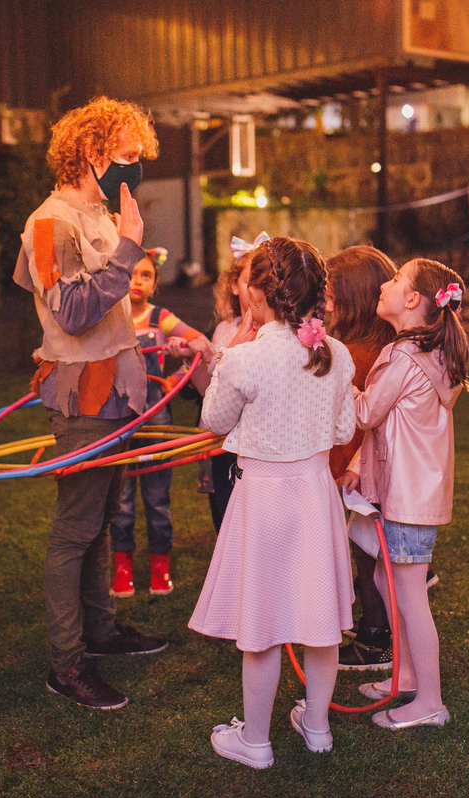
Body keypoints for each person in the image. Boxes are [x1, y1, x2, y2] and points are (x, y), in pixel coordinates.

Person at [12, 96, 168, 711]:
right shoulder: (50, 223)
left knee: (102, 517)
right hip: (82, 393)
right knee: (75, 528)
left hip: (119, 389)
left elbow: (106, 307)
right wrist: (130, 248)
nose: (134, 168)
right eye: (127, 157)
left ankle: (100, 633)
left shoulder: (99, 213)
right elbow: (71, 313)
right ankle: (67, 663)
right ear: (92, 152)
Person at [189, 237, 357, 768]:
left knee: (260, 625)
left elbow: (212, 422)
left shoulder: (246, 357)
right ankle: (317, 727)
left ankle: (256, 741)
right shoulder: (337, 354)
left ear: (258, 295)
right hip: (314, 496)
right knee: (319, 618)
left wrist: (233, 348)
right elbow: (345, 426)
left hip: (262, 500)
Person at [340, 258, 469, 730]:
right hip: (406, 492)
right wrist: (357, 466)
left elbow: (366, 414)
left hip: (409, 499)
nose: (385, 283)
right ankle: (407, 675)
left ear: (413, 300)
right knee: (383, 580)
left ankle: (430, 701)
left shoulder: (404, 357)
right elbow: (391, 424)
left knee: (410, 593)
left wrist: (334, 374)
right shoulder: (421, 354)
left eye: (396, 280)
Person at [109, 247, 212, 598]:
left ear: (155, 285)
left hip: (156, 422)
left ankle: (159, 566)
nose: (137, 281)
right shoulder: (111, 318)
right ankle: (121, 567)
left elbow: (201, 344)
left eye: (146, 275)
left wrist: (176, 377)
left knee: (156, 497)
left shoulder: (161, 318)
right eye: (131, 274)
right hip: (118, 422)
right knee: (119, 499)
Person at [322, 247, 400, 672]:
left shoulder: (355, 354)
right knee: (368, 548)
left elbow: (355, 420)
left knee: (368, 551)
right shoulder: (378, 346)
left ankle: (377, 639)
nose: (326, 299)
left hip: (358, 470)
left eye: (333, 291)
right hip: (366, 468)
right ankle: (376, 631)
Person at [203, 232, 268, 533]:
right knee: (228, 520)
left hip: (262, 445)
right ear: (233, 285)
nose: (255, 290)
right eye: (247, 281)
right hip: (226, 445)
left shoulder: (275, 335)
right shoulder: (225, 331)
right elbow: (214, 398)